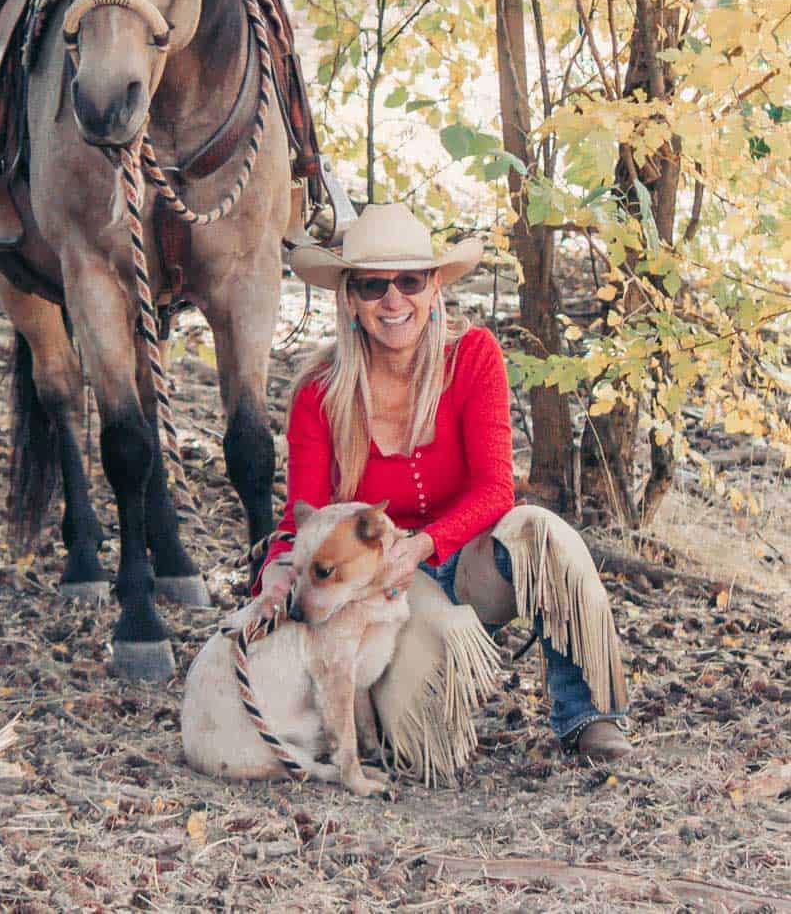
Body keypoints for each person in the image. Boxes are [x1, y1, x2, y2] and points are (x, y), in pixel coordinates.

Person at [256, 202, 631, 766]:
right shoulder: (319, 392)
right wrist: (275, 580)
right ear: (349, 300)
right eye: (372, 285)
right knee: (422, 747)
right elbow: (301, 520)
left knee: (542, 532)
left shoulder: (473, 356)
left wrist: (422, 545)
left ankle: (589, 714)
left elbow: (496, 490)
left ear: (434, 288)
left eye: (410, 280)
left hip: (471, 553)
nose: (393, 300)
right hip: (387, 582)